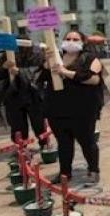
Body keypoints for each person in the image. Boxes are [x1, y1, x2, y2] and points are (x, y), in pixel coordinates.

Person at [42, 30, 106, 184]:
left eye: (75, 39)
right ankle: (65, 173)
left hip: (82, 110)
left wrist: (66, 72)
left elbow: (93, 79)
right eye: (68, 38)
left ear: (83, 42)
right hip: (57, 109)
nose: (71, 41)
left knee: (87, 141)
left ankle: (93, 170)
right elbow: (42, 78)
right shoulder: (55, 58)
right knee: (63, 143)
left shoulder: (90, 58)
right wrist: (47, 61)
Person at [0, 35, 48, 149]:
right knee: (17, 125)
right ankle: (21, 148)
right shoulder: (7, 55)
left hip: (33, 96)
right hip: (14, 96)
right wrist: (3, 67)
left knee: (39, 123)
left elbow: (38, 74)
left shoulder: (37, 55)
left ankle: (44, 145)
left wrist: (20, 72)